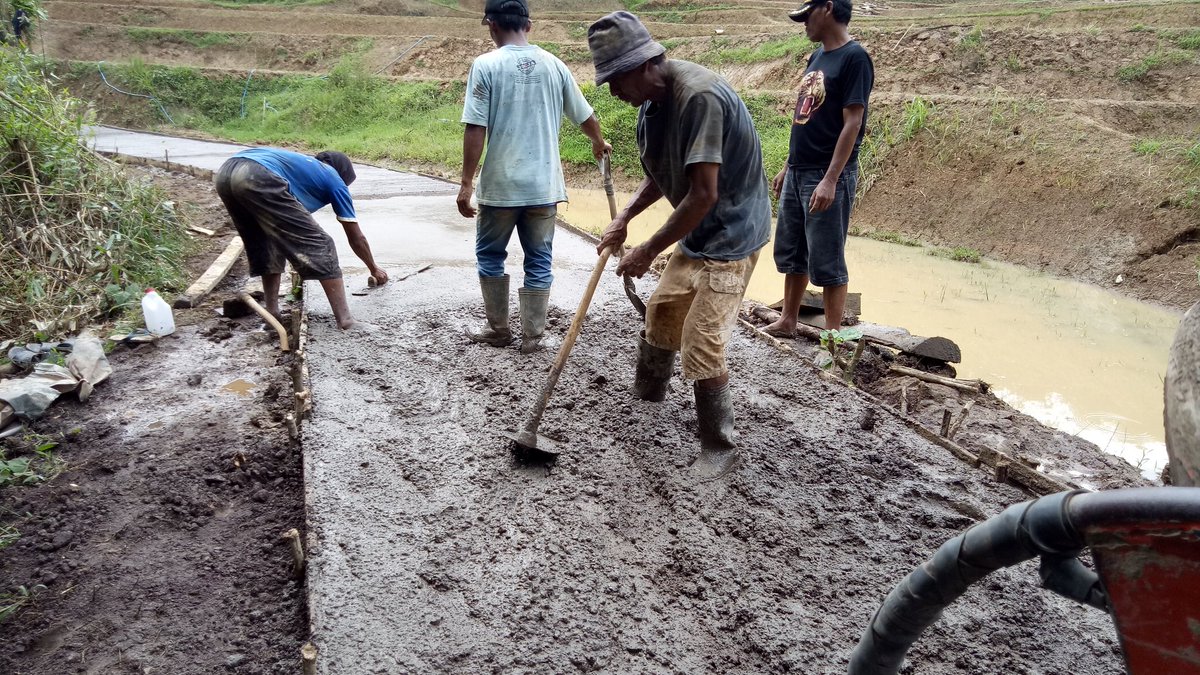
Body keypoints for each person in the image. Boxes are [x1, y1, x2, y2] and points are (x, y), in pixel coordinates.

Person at [587, 11, 772, 480]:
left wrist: (647, 249)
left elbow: (705, 193)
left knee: (702, 340)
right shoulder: (653, 104)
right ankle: (647, 397)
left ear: (645, 65)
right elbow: (660, 172)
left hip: (730, 232)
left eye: (616, 80)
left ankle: (719, 447)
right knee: (663, 311)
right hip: (697, 227)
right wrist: (625, 217)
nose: (614, 93)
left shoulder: (700, 97)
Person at [458, 0, 610, 354]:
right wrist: (598, 143)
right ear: (529, 25)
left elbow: (475, 127)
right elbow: (585, 116)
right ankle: (533, 338)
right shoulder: (555, 65)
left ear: (491, 25)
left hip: (500, 187)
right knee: (539, 259)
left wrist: (466, 183)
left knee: (491, 255)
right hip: (543, 187)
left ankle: (498, 329)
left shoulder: (485, 65)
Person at [762, 0, 874, 338]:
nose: (803, 25)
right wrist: (788, 166)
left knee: (827, 257)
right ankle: (788, 319)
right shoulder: (818, 57)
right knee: (793, 250)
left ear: (827, 9)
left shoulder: (855, 58)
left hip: (825, 174)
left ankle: (833, 336)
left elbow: (853, 122)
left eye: (806, 16)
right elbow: (804, 117)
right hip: (799, 170)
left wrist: (830, 179)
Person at [214, 148, 388, 330]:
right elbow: (356, 237)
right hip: (257, 174)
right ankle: (346, 320)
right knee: (322, 243)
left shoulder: (302, 168)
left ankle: (272, 314)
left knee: (269, 241)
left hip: (226, 173)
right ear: (344, 174)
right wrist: (374, 268)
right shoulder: (334, 178)